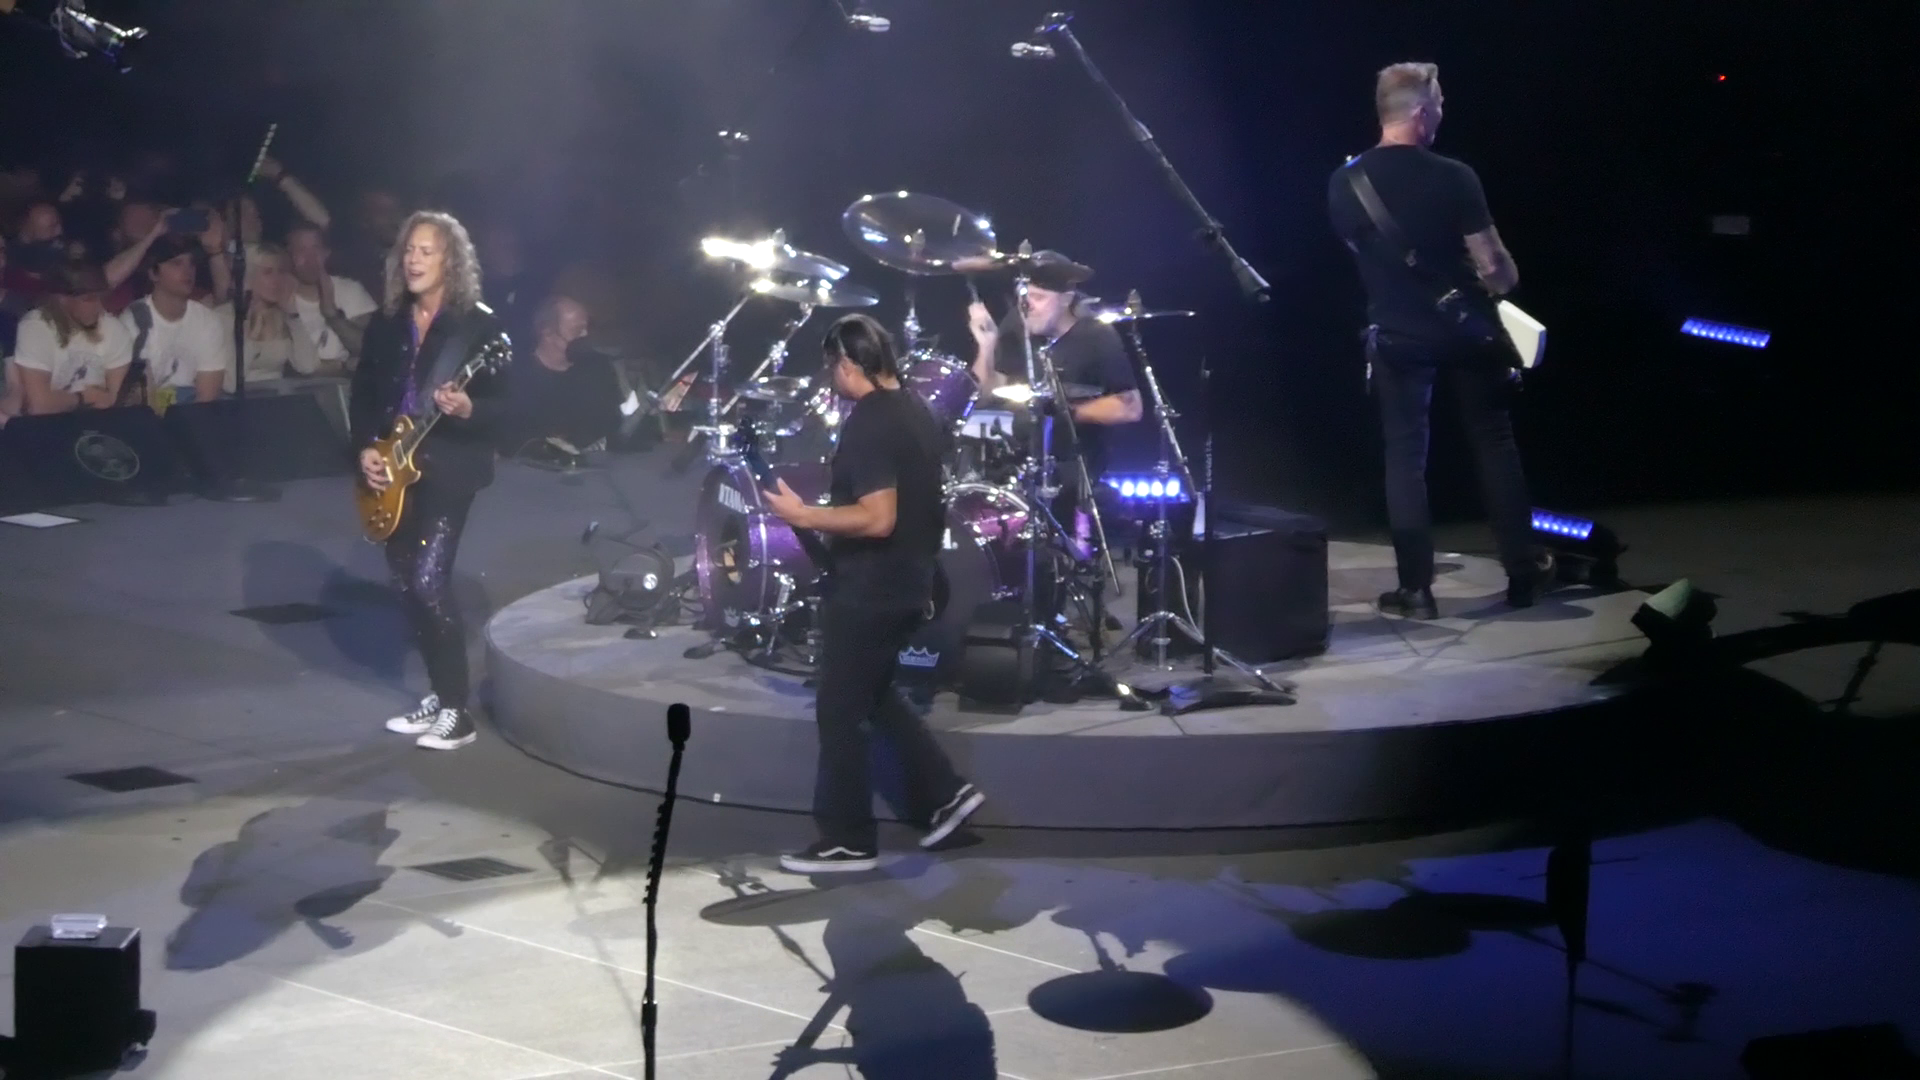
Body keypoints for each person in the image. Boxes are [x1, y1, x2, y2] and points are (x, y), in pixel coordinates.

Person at [764, 314, 985, 874]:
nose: (830, 377)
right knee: (874, 693)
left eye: (830, 366)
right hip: (909, 581)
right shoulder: (914, 408)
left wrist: (803, 515)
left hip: (872, 588)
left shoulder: (870, 421)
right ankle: (944, 796)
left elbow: (877, 517)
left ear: (846, 362)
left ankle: (848, 840)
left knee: (839, 709)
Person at [1327, 61, 1548, 618]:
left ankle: (1416, 591)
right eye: (1441, 104)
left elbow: (1359, 256)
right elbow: (1493, 266)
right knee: (1494, 444)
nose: (1444, 113)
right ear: (1422, 113)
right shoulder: (1455, 176)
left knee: (1405, 457)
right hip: (1465, 330)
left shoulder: (1345, 182)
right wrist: (1501, 282)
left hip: (1397, 333)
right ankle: (1523, 575)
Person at [349, 210, 505, 752]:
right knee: (403, 584)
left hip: (449, 469)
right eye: (409, 250)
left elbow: (512, 408)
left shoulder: (479, 328)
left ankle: (457, 712)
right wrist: (366, 448)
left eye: (426, 251)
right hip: (393, 468)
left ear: (451, 261)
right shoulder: (387, 322)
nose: (413, 260)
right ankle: (439, 696)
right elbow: (363, 394)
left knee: (427, 581)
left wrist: (468, 409)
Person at [966, 250, 1142, 552]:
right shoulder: (1017, 325)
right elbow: (985, 393)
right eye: (1024, 297)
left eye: (1038, 298)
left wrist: (1060, 413)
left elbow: (1130, 407)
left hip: (1069, 455)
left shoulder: (1096, 336)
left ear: (1065, 299)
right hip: (1014, 452)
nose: (1028, 305)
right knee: (969, 428)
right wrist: (987, 346)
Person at [500, 294, 621, 466]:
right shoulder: (516, 377)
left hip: (596, 468)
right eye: (577, 331)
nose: (585, 336)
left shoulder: (598, 368)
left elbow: (614, 423)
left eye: (586, 329)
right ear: (548, 333)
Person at [117, 234, 228, 407]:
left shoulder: (208, 321)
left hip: (193, 415)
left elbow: (207, 398)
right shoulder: (133, 321)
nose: (187, 271)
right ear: (153, 273)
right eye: (176, 264)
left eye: (191, 264)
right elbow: (131, 396)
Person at [10, 262, 132, 416]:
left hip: (99, 423)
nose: (98, 306)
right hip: (48, 425)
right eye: (89, 299)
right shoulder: (35, 327)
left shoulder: (114, 330)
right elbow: (39, 405)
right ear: (62, 298)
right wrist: (82, 398)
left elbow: (111, 401)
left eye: (101, 297)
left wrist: (60, 400)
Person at [220, 242, 324, 391]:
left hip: (277, 396)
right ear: (248, 277)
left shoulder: (284, 315)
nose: (277, 280)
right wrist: (253, 335)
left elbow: (308, 367)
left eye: (281, 272)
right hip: (239, 399)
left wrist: (294, 316)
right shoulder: (224, 317)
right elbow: (230, 384)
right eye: (268, 273)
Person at [286, 222, 376, 371]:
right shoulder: (280, 295)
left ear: (326, 253)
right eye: (301, 251)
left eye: (316, 249)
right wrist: (341, 366)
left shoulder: (349, 290)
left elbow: (371, 349)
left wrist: (332, 315)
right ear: (289, 255)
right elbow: (286, 365)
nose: (310, 260)